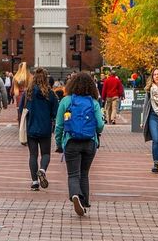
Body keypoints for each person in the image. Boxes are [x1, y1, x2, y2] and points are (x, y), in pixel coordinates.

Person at [54, 70, 104, 216]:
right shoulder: (93, 102)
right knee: (84, 173)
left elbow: (59, 125)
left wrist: (59, 143)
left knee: (73, 174)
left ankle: (75, 194)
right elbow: (100, 125)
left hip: (71, 141)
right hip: (89, 142)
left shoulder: (66, 101)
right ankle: (84, 201)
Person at [19, 67, 59, 190]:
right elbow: (55, 112)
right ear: (46, 79)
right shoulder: (51, 94)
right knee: (46, 153)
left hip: (31, 128)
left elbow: (21, 110)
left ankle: (34, 182)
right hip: (45, 128)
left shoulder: (28, 93)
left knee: (33, 155)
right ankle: (42, 170)